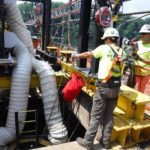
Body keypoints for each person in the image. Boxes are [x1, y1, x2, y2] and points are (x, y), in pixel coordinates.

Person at [72, 28, 126, 150]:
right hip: (116, 88)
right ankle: (106, 142)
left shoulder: (103, 48)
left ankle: (88, 142)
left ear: (107, 38)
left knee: (96, 116)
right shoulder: (122, 52)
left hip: (104, 88)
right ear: (116, 39)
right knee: (109, 116)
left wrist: (77, 55)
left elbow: (88, 54)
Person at [133, 24, 150, 93]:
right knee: (133, 91)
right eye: (140, 34)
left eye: (143, 34)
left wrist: (140, 59)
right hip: (135, 71)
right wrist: (133, 51)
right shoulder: (137, 43)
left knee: (141, 91)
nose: (141, 35)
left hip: (145, 74)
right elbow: (132, 55)